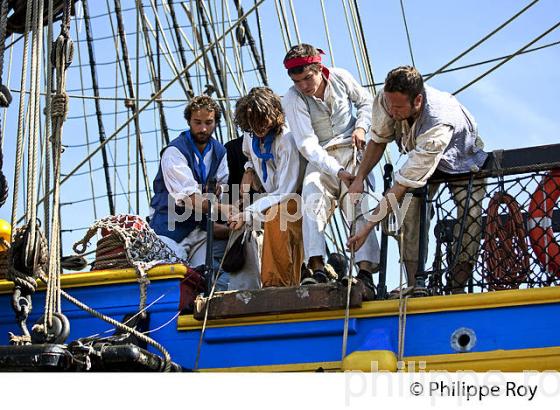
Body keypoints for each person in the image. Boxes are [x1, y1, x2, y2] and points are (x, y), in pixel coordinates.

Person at [347, 65, 487, 294]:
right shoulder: (387, 100)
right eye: (390, 104)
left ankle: (457, 286)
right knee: (406, 212)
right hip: (420, 156)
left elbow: (402, 184)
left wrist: (368, 226)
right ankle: (414, 285)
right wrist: (359, 177)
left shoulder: (438, 122)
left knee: (470, 215)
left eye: (399, 107)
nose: (392, 111)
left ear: (418, 101)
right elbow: (379, 139)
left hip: (461, 161)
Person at [281, 43, 379, 293]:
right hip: (321, 158)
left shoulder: (341, 77)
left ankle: (365, 273)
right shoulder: (293, 98)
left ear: (319, 68)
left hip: (352, 152)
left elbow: (367, 103)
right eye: (297, 80)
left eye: (307, 78)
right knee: (311, 197)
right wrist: (337, 171)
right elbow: (306, 143)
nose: (303, 85)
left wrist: (361, 127)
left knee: (359, 204)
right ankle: (317, 268)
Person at [149, 95, 233, 291]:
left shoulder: (219, 153)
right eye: (197, 122)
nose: (203, 128)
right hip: (169, 229)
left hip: (201, 231)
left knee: (204, 282)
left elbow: (220, 188)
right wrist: (221, 208)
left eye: (208, 122)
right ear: (189, 121)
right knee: (167, 282)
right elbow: (188, 199)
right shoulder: (174, 152)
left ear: (215, 123)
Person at [228, 87, 306, 287]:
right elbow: (249, 156)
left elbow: (285, 191)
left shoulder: (286, 141)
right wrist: (248, 172)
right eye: (253, 122)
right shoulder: (250, 135)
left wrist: (249, 212)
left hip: (295, 197)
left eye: (263, 120)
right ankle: (256, 284)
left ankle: (275, 284)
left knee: (277, 217)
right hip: (270, 196)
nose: (259, 126)